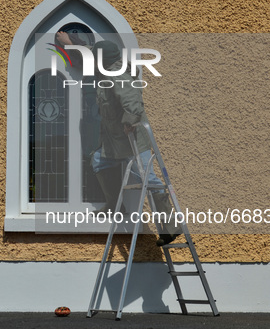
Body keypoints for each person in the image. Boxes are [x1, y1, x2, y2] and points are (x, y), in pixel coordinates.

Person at [56, 32, 180, 246]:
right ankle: (115, 205)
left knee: (148, 179)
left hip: (131, 140)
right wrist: (70, 44)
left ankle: (170, 226)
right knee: (98, 161)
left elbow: (132, 100)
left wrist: (130, 121)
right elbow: (90, 54)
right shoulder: (106, 66)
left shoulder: (116, 74)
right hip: (115, 142)